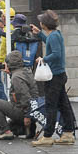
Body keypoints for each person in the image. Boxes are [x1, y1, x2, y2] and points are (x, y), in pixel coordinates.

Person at [31, 11, 76, 146]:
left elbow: (56, 54)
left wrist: (43, 58)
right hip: (59, 75)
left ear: (45, 24)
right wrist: (39, 34)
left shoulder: (54, 36)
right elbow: (51, 44)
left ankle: (48, 136)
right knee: (63, 104)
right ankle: (68, 133)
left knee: (51, 105)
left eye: (41, 21)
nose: (40, 22)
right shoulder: (54, 35)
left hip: (54, 77)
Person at [0, 50, 39, 140]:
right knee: (12, 127)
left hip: (24, 111)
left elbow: (24, 97)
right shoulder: (26, 71)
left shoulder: (16, 77)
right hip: (33, 111)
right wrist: (10, 73)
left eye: (7, 62)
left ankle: (6, 132)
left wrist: (27, 116)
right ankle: (28, 129)